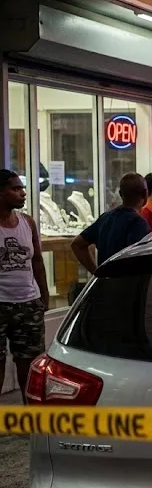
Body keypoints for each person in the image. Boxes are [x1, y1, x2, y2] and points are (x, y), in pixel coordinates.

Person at [0, 169, 49, 403]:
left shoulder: (27, 222)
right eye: (15, 188)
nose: (22, 193)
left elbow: (37, 260)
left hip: (27, 303)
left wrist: (44, 295)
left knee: (29, 363)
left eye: (22, 188)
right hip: (1, 302)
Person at [71, 173, 150, 273]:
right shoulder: (139, 223)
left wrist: (96, 273)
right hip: (127, 286)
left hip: (106, 285)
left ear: (121, 194)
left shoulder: (105, 218)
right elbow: (137, 261)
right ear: (145, 194)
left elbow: (77, 244)